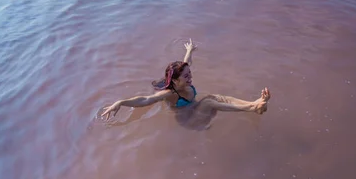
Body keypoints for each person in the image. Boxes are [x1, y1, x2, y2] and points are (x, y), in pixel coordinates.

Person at [101, 39, 271, 123]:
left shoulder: (183, 78)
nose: (190, 77)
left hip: (195, 109)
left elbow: (186, 62)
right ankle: (252, 107)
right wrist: (121, 102)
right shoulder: (169, 93)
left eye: (190, 74)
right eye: (186, 76)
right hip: (189, 121)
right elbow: (146, 99)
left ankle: (253, 105)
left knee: (214, 96)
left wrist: (189, 50)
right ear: (175, 81)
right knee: (210, 102)